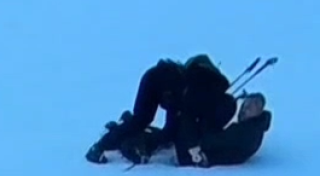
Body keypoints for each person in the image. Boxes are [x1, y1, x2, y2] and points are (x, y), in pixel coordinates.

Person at [86, 55, 271, 166]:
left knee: (146, 121)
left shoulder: (205, 88)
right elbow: (189, 114)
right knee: (149, 122)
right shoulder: (205, 95)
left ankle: (127, 135)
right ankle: (102, 147)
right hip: (161, 86)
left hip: (160, 81)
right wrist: (194, 146)